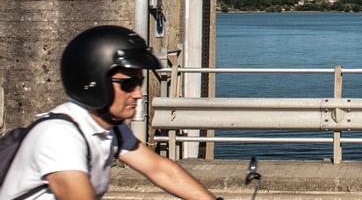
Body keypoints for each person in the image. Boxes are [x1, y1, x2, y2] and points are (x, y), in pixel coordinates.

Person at [0, 26, 219, 200]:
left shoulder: (109, 128)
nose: (138, 94)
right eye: (128, 84)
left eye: (139, 83)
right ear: (93, 81)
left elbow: (160, 169)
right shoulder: (59, 136)